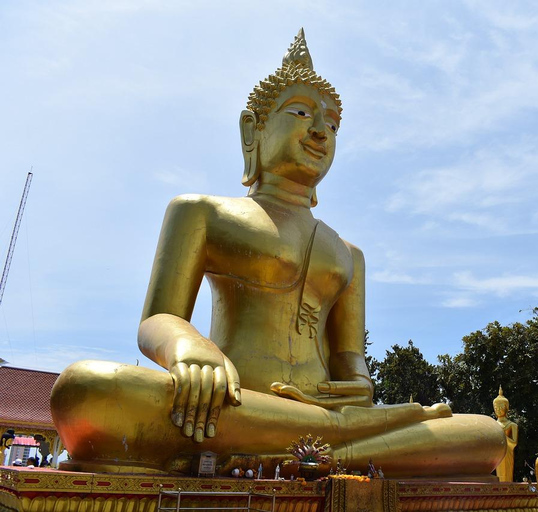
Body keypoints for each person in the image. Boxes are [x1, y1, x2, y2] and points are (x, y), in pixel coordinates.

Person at [50, 29, 506, 478]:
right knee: (87, 389)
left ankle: (317, 458)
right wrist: (188, 346)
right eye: (302, 112)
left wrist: (359, 390)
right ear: (253, 127)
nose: (319, 132)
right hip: (229, 402)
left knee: (486, 434)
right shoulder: (202, 213)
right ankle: (337, 450)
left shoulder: (349, 255)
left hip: (327, 417)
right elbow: (156, 321)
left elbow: (352, 365)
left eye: (331, 124)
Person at [493, 386, 518, 482]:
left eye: (501, 407)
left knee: (507, 475)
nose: (498, 409)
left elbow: (514, 443)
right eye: (496, 407)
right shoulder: (493, 424)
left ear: (506, 408)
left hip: (508, 452)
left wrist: (502, 435)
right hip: (497, 452)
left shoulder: (512, 425)